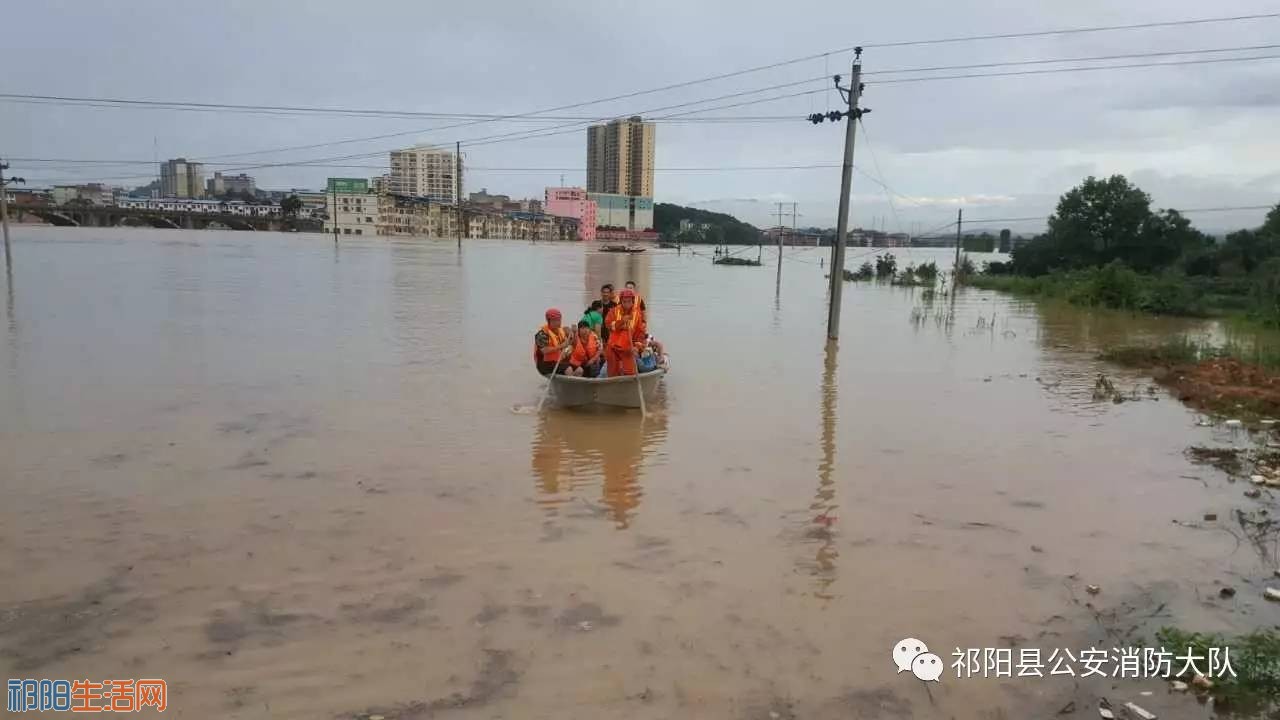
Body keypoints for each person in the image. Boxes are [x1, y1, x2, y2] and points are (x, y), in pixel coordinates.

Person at [604, 288, 646, 377]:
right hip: (613, 348)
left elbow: (640, 334)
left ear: (633, 301)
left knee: (631, 373)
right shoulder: (614, 311)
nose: (627, 304)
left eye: (629, 301)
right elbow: (608, 325)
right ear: (621, 301)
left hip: (628, 349)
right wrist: (622, 321)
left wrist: (637, 347)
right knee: (612, 374)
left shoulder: (637, 315)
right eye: (624, 301)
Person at [533, 308, 573, 376]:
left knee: (576, 366)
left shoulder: (560, 331)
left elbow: (568, 343)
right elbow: (544, 350)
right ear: (549, 321)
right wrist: (561, 346)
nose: (559, 322)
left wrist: (572, 334)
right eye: (556, 320)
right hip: (544, 364)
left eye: (559, 320)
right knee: (568, 369)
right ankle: (569, 385)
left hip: (557, 361)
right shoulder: (541, 334)